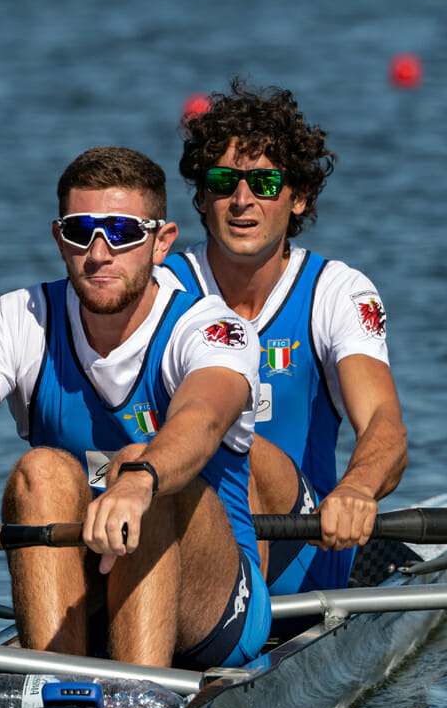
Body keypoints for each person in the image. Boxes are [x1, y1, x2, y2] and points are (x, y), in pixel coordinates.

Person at [0, 146, 270, 670]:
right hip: (86, 586)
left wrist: (139, 481)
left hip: (213, 604)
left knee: (140, 461)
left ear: (161, 243)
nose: (98, 252)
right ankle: (55, 692)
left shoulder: (211, 329)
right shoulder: (18, 318)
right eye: (80, 231)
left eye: (122, 231)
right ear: (57, 238)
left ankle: (140, 693)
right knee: (37, 471)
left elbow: (201, 421)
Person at [170, 80, 407, 598]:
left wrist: (357, 489)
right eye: (223, 181)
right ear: (202, 197)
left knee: (240, 446)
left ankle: (233, 636)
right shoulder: (162, 286)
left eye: (265, 183)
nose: (241, 200)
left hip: (303, 554)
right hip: (175, 536)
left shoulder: (335, 292)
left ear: (298, 198)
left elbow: (385, 428)